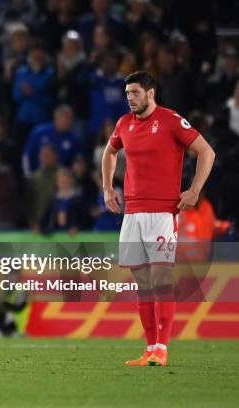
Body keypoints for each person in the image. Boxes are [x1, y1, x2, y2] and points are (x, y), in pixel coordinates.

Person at [101, 71, 215, 367]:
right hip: (132, 213)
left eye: (135, 93)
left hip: (163, 213)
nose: (130, 98)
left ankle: (162, 348)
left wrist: (194, 190)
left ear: (151, 93)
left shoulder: (171, 120)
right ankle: (150, 348)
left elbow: (206, 152)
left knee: (161, 278)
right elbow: (109, 152)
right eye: (127, 94)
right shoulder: (124, 124)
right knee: (142, 282)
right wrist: (107, 187)